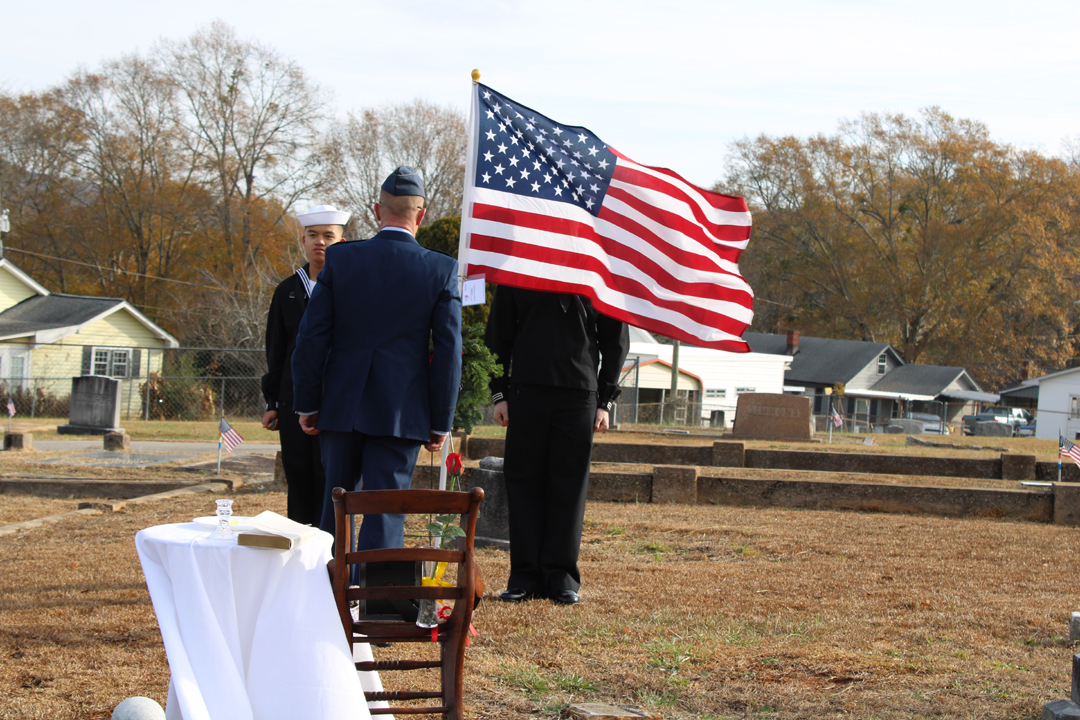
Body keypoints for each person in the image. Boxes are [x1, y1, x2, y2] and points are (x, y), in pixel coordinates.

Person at [291, 166, 462, 550]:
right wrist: (441, 419)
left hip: (340, 405)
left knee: (336, 506)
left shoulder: (341, 260)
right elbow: (449, 351)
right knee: (385, 509)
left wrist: (307, 401)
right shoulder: (441, 268)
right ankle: (377, 599)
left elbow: (311, 337)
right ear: (421, 215)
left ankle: (328, 593)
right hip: (401, 412)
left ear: (375, 210)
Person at [484, 287, 629, 605]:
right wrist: (499, 393)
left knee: (568, 489)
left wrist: (605, 400)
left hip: (579, 394)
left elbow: (615, 339)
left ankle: (562, 578)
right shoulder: (518, 266)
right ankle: (523, 577)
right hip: (525, 391)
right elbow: (498, 334)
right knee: (523, 486)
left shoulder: (597, 269)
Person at [261, 205, 348, 527]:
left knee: (333, 480)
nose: (320, 242)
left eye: (329, 235)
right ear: (303, 240)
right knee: (299, 477)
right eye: (313, 235)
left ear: (342, 240)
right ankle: (299, 550)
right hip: (293, 402)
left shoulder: (350, 289)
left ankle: (332, 554)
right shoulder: (287, 291)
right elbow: (277, 350)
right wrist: (273, 402)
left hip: (337, 403)